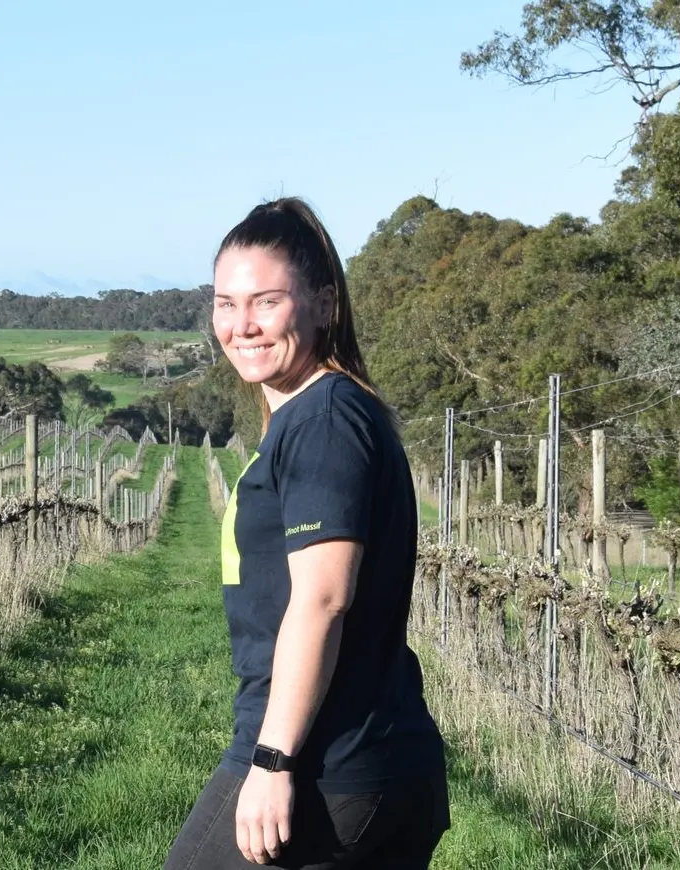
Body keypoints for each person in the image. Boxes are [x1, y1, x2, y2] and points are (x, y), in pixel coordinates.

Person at [164, 197, 450, 869]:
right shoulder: (325, 414)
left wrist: (271, 762)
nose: (241, 326)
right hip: (373, 762)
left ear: (324, 303)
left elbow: (322, 598)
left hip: (325, 764)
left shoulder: (324, 418)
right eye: (224, 304)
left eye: (265, 302)